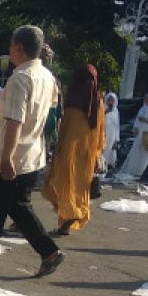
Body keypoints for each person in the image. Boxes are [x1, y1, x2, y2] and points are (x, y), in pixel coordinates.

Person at [0, 25, 64, 277]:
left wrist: (6, 158)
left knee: (14, 207)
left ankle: (48, 251)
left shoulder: (20, 78)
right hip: (32, 154)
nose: (9, 51)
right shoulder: (48, 77)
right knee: (4, 207)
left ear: (18, 47)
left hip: (12, 156)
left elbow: (15, 121)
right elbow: (50, 117)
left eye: (10, 46)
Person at [42, 64, 106, 236]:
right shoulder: (97, 102)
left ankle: (69, 219)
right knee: (77, 188)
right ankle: (68, 220)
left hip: (69, 153)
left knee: (62, 185)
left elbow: (65, 128)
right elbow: (101, 133)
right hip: (86, 154)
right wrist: (98, 153)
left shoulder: (74, 100)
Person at [120, 92, 148, 178]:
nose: (147, 100)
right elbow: (137, 120)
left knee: (146, 153)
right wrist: (135, 128)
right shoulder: (142, 108)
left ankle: (143, 171)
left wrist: (147, 120)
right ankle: (133, 170)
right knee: (136, 151)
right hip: (140, 133)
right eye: (146, 98)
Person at [102, 92, 120, 171]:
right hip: (103, 133)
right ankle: (101, 167)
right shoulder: (103, 108)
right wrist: (105, 112)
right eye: (109, 100)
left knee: (111, 151)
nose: (111, 102)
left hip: (112, 134)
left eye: (112, 100)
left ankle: (109, 168)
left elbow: (117, 126)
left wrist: (117, 139)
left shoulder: (116, 111)